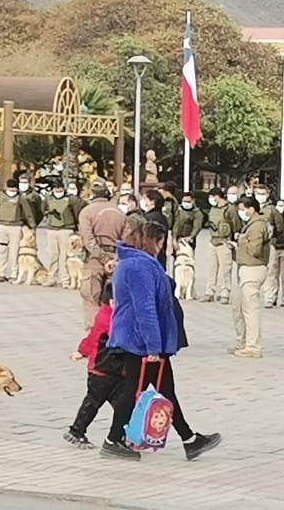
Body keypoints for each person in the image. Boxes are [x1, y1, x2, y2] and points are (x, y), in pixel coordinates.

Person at [100, 222, 219, 461]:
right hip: (141, 340)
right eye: (161, 242)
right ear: (152, 241)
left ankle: (189, 439)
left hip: (142, 338)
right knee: (134, 390)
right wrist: (153, 345)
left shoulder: (135, 262)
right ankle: (113, 439)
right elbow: (145, 309)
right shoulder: (139, 266)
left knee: (162, 389)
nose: (162, 247)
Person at [64, 280, 120, 449]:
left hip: (112, 370)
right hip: (101, 369)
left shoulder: (109, 314)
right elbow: (93, 339)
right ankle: (76, 430)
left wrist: (81, 351)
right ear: (112, 301)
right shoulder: (108, 318)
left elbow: (91, 337)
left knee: (120, 403)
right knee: (94, 401)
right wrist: (82, 351)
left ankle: (121, 434)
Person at [77, 178, 126, 326]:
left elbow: (88, 240)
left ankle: (95, 332)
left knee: (91, 297)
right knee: (112, 299)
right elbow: (126, 239)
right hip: (115, 259)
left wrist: (103, 258)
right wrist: (114, 259)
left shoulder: (87, 212)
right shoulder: (119, 212)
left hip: (95, 259)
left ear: (92, 193)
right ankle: (111, 329)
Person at [230, 194, 269, 358]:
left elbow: (255, 249)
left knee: (250, 309)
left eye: (242, 209)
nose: (241, 212)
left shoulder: (257, 226)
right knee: (238, 307)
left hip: (253, 269)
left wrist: (241, 240)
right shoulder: (250, 225)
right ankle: (243, 340)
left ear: (251, 209)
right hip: (244, 267)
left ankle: (253, 346)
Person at [0, 177, 37, 282]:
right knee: (1, 251)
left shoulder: (21, 198)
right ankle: (1, 273)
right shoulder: (0, 196)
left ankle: (14, 274)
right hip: (2, 225)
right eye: (10, 188)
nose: (12, 190)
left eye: (14, 188)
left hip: (15, 226)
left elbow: (28, 212)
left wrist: (32, 226)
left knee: (14, 251)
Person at [46, 180, 86, 288]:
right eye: (56, 189)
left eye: (60, 189)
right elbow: (44, 209)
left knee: (64, 256)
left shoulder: (71, 199)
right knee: (53, 255)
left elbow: (77, 212)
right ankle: (51, 277)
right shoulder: (48, 198)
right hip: (51, 229)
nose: (58, 191)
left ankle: (65, 280)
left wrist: (76, 226)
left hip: (66, 229)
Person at [202, 187, 237, 304]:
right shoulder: (213, 208)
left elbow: (236, 224)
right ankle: (210, 292)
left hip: (224, 242)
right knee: (211, 269)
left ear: (217, 196)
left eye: (212, 197)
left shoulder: (229, 209)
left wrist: (233, 242)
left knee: (225, 270)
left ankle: (225, 292)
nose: (211, 199)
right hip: (213, 241)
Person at [265, 194, 284, 308]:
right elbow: (269, 229)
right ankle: (270, 297)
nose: (281, 207)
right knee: (272, 274)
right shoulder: (272, 215)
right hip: (274, 246)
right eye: (279, 205)